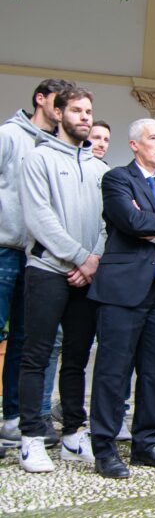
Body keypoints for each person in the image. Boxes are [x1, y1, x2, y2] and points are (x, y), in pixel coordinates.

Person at [89, 119, 155, 478]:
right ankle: (104, 448)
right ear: (135, 144)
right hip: (122, 290)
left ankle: (147, 443)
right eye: (154, 138)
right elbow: (131, 222)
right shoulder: (118, 178)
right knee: (112, 371)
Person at [17, 87, 108, 472]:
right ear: (57, 112)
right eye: (77, 110)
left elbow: (108, 224)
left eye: (89, 111)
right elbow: (39, 217)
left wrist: (94, 261)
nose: (85, 117)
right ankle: (31, 438)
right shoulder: (38, 158)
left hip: (87, 277)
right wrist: (79, 257)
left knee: (76, 357)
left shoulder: (101, 169)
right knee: (36, 356)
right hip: (47, 271)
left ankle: (73, 432)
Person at [0, 79, 66, 451]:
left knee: (26, 342)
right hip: (5, 248)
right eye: (58, 102)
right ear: (40, 100)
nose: (62, 111)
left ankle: (13, 418)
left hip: (37, 256)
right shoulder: (10, 136)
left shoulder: (58, 147)